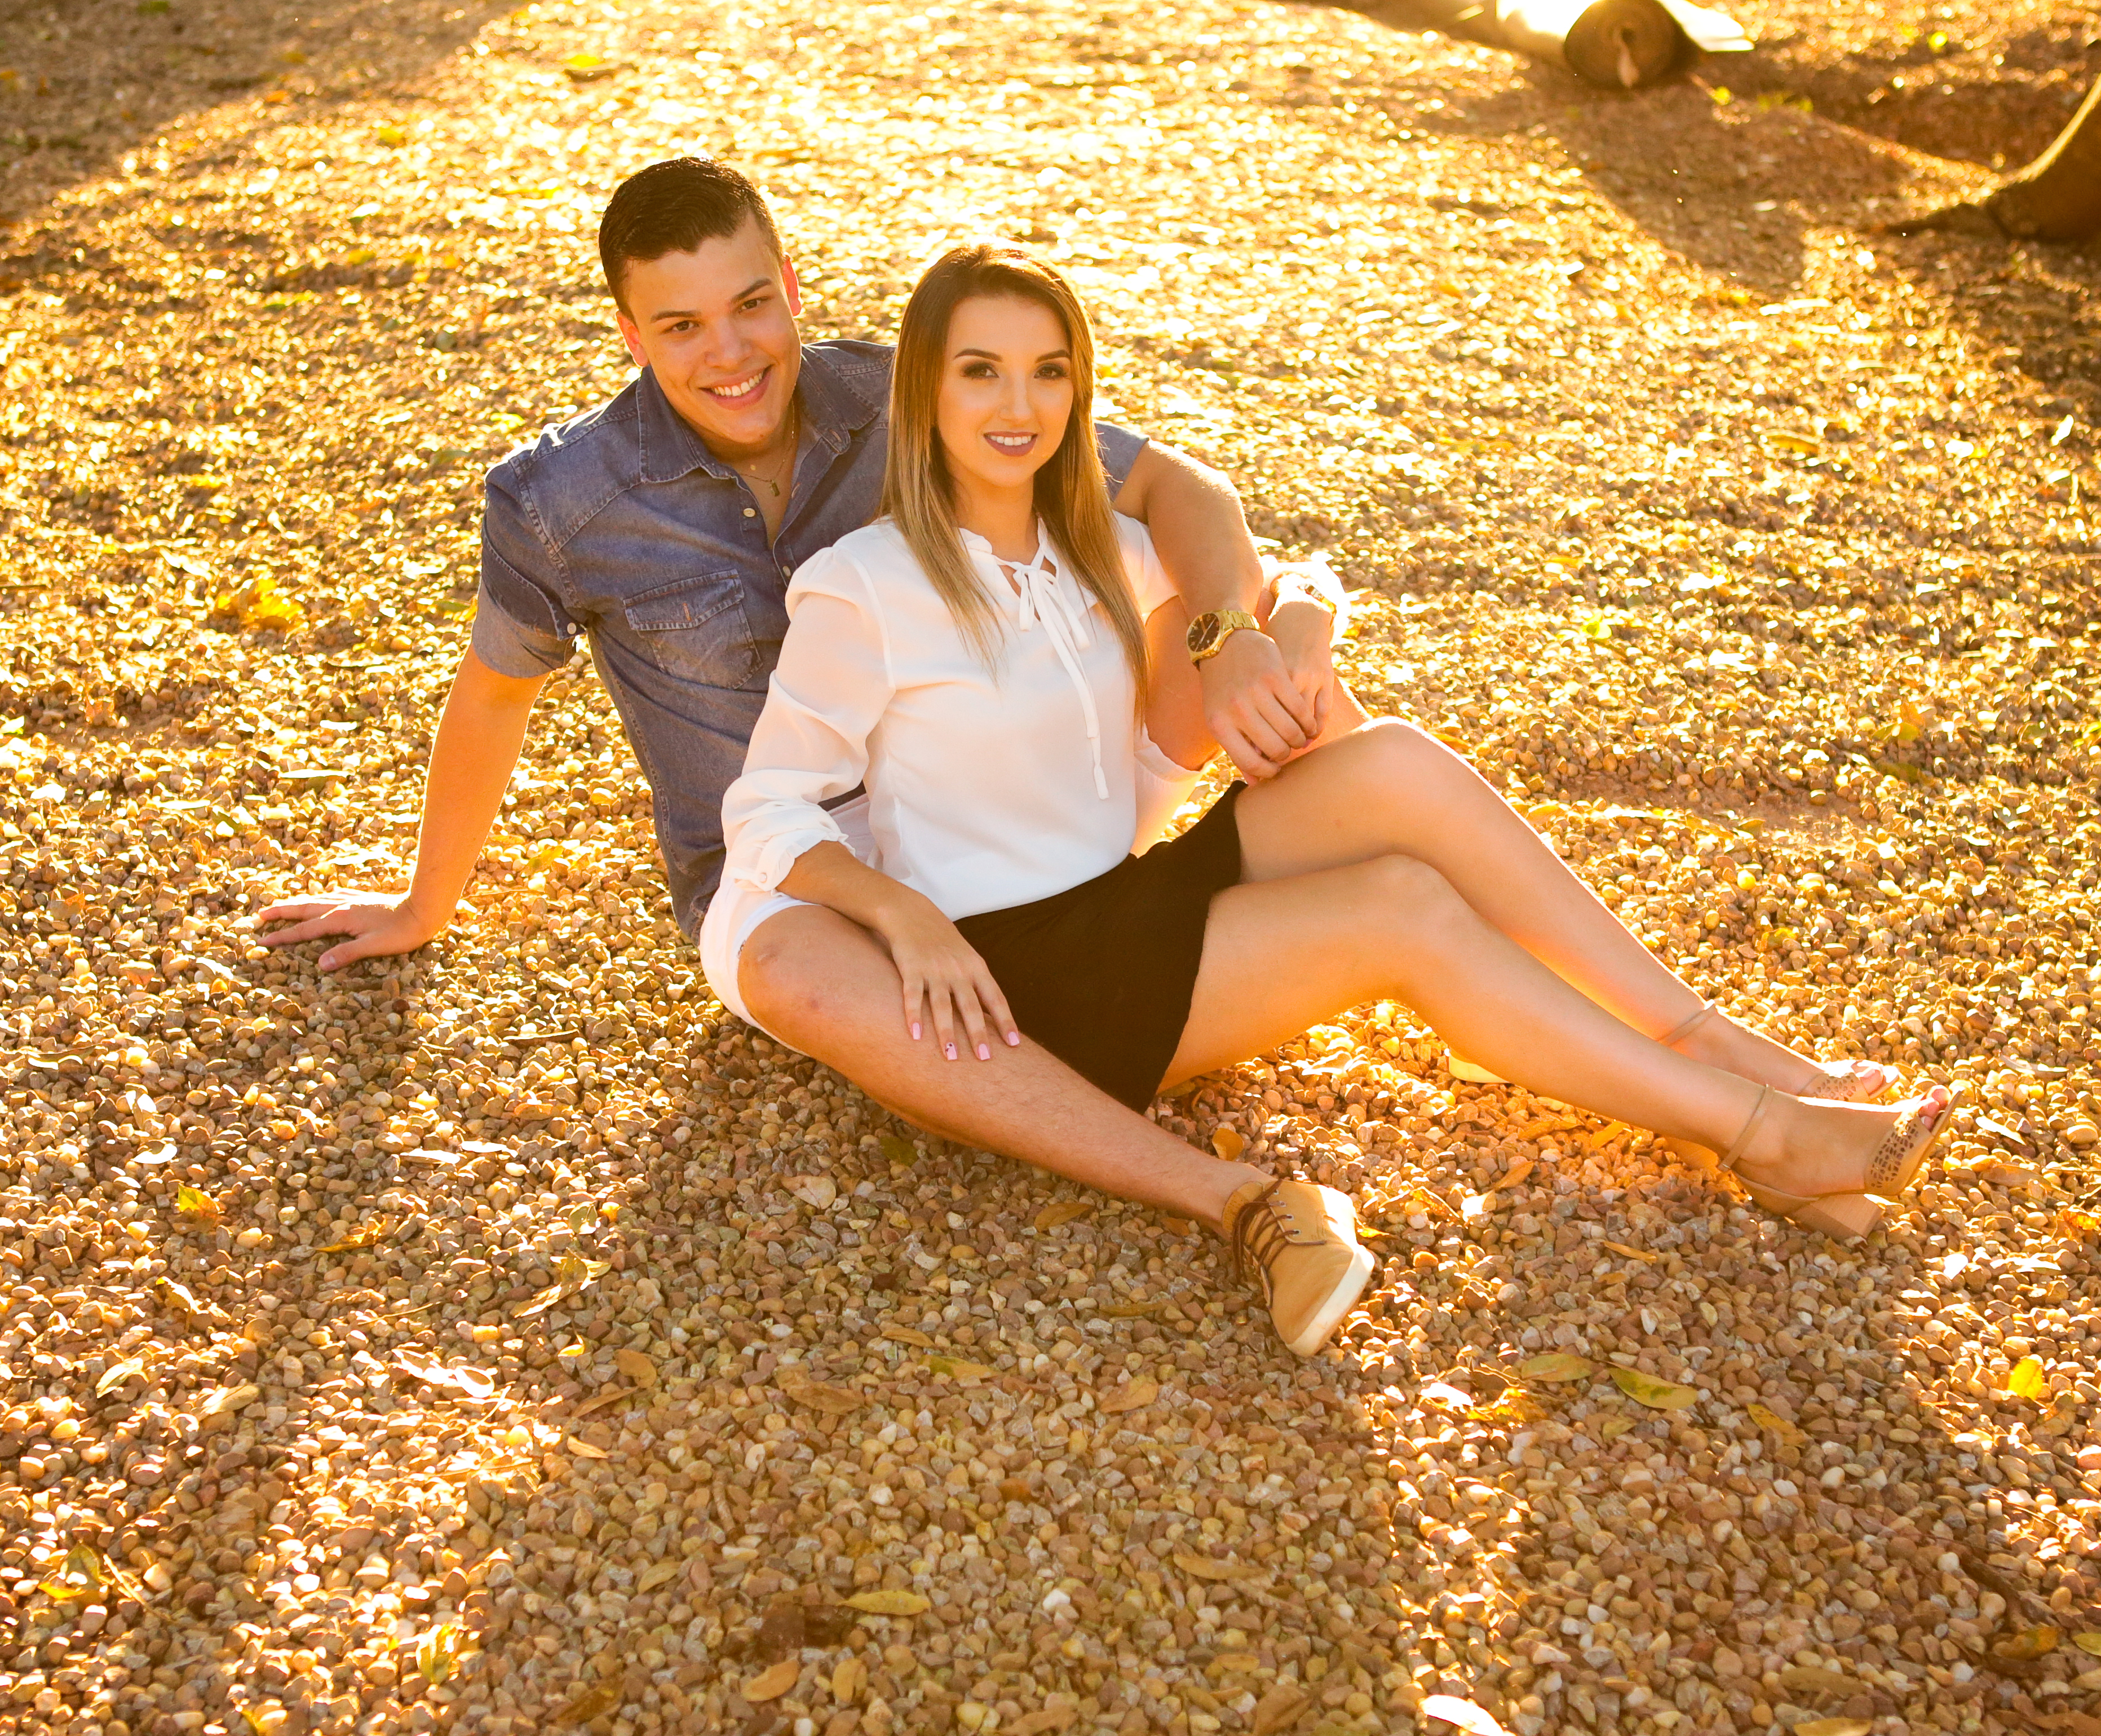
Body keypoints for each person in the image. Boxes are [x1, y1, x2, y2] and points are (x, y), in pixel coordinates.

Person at [714, 245, 1955, 1354]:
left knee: (1394, 761)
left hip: (1123, 907)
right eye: (981, 373)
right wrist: (902, 915)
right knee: (1402, 912)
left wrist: (1289, 631)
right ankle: (1766, 1135)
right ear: (923, 392)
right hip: (1024, 983)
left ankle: (1716, 1046)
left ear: (1079, 390)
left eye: (1048, 372)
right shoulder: (861, 586)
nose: (1019, 406)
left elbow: (1290, 576)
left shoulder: (1096, 547)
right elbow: (766, 812)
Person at [253, 157, 1381, 1341]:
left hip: (1011, 801)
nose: (729, 352)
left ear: (792, 284)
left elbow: (1180, 487)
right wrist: (427, 904)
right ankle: (1243, 1204)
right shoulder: (562, 502)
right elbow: (492, 696)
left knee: (1265, 640)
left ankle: (1443, 889)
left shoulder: (912, 394)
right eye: (681, 326)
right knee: (810, 980)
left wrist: (1231, 634)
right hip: (785, 871)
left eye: (752, 304)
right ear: (630, 334)